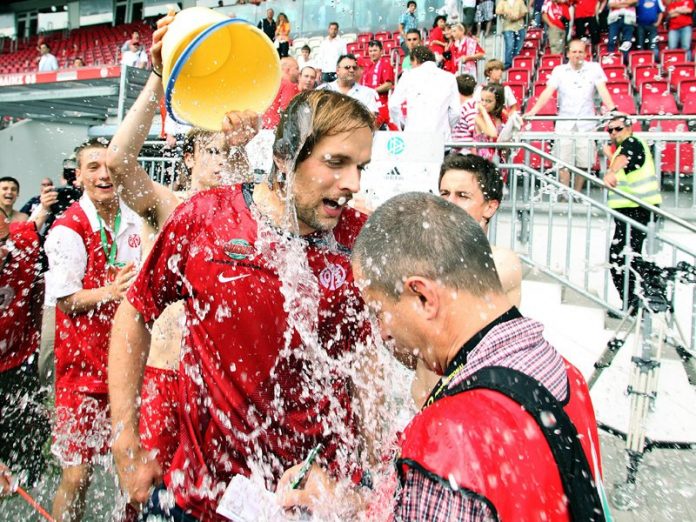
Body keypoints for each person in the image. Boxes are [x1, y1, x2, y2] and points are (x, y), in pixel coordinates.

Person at [109, 90, 376, 520]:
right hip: (209, 496)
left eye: (360, 167)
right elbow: (137, 311)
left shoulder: (360, 242)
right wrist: (125, 442)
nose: (353, 184)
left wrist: (369, 477)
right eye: (336, 162)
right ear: (286, 155)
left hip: (319, 499)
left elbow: (367, 370)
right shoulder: (207, 218)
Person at [279, 191, 607, 522]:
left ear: (422, 296)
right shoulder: (565, 375)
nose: (381, 332)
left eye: (379, 310)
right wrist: (349, 504)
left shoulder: (447, 439)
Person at [106, 11, 259, 478]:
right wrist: (157, 76)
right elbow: (116, 163)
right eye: (213, 151)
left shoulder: (245, 218)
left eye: (230, 153)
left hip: (218, 386)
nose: (222, 162)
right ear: (190, 155)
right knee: (144, 497)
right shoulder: (168, 207)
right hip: (163, 375)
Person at [45, 138, 142, 522]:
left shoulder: (136, 217)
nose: (104, 175)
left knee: (131, 474)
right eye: (93, 167)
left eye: (110, 167)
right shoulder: (67, 229)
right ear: (80, 175)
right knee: (77, 476)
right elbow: (66, 299)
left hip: (129, 369)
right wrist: (112, 291)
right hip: (81, 375)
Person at [411, 153, 522, 407]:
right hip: (421, 417)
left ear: (490, 207)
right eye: (444, 194)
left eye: (462, 196)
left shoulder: (504, 262)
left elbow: (451, 288)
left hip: (468, 423)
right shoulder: (427, 263)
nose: (449, 203)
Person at [0, 209, 50, 492]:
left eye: (2, 241)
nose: (1, 251)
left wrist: (36, 329)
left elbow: (38, 288)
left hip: (18, 356)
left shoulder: (24, 245)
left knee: (29, 436)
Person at [525, 39, 616, 192]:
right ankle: (565, 191)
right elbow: (548, 92)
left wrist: (613, 109)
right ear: (568, 54)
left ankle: (577, 192)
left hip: (586, 123)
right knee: (562, 160)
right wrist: (533, 111)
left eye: (580, 51)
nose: (577, 55)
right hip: (564, 122)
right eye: (574, 52)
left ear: (585, 53)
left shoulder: (594, 68)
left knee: (584, 161)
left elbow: (602, 90)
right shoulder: (559, 70)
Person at [602, 113, 662, 310]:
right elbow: (627, 162)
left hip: (639, 209)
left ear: (629, 129)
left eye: (618, 128)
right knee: (626, 255)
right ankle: (636, 299)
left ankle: (635, 301)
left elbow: (624, 159)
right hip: (630, 211)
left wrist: (611, 170)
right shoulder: (624, 147)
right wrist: (611, 159)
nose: (613, 133)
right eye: (610, 130)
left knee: (621, 255)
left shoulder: (633, 142)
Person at [388, 46, 461, 140]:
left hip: (414, 137)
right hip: (440, 139)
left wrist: (402, 124)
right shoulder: (449, 77)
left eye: (411, 64)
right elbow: (456, 112)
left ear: (415, 60)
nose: (412, 66)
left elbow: (393, 105)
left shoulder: (408, 76)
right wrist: (445, 125)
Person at [361, 40, 395, 128]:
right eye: (371, 51)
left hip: (381, 105)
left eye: (375, 50)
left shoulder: (385, 64)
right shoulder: (367, 67)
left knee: (373, 129)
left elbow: (389, 85)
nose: (372, 53)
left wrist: (372, 91)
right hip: (368, 104)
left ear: (381, 51)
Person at [262, 56, 300, 129]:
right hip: (277, 129)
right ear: (287, 70)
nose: (299, 72)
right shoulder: (288, 85)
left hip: (266, 126)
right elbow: (286, 110)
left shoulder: (271, 83)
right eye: (297, 68)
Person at [496, 0, 528, 69]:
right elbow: (497, 11)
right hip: (508, 27)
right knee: (509, 45)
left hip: (519, 26)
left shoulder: (520, 1)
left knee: (519, 46)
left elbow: (525, 11)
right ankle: (508, 63)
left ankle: (516, 62)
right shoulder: (502, 1)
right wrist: (506, 13)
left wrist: (518, 17)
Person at [450, 74, 479, 151]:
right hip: (460, 151)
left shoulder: (470, 106)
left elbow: (474, 132)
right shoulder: (463, 106)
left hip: (466, 153)